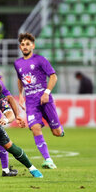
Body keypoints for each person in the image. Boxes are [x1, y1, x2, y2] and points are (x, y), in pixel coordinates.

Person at [14, 32, 64, 170]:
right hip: (31, 102)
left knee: (57, 133)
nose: (25, 46)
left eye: (28, 44)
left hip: (45, 99)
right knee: (35, 128)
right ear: (20, 47)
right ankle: (48, 160)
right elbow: (20, 79)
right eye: (23, 44)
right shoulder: (17, 63)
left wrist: (47, 92)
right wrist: (20, 95)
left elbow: (53, 77)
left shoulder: (40, 60)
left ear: (33, 46)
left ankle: (60, 129)